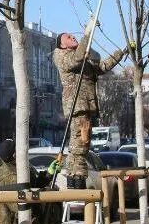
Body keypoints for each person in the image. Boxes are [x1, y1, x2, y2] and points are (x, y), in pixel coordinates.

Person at [52, 22, 130, 188]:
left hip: (84, 104)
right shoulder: (62, 56)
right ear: (61, 44)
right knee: (81, 141)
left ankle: (74, 176)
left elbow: (101, 67)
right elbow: (76, 58)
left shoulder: (81, 58)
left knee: (78, 143)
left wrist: (121, 53)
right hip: (77, 104)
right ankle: (77, 176)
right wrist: (87, 34)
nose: (73, 37)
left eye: (74, 36)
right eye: (68, 37)